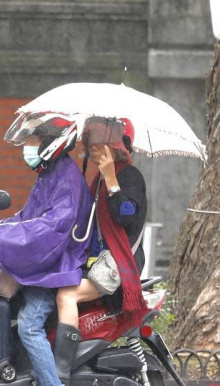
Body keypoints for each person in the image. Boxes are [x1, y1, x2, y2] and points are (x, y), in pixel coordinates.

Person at [0, 113, 91, 386]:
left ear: (53, 144)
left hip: (53, 267)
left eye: (33, 141)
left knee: (29, 324)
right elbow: (26, 217)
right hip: (42, 264)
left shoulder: (67, 179)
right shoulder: (48, 174)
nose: (27, 147)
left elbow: (47, 230)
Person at [55, 118, 147, 361]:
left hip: (117, 265)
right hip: (93, 263)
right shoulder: (96, 180)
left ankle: (60, 375)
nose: (92, 148)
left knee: (67, 295)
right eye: (90, 142)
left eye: (99, 142)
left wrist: (111, 181)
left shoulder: (129, 176)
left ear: (115, 146)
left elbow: (127, 216)